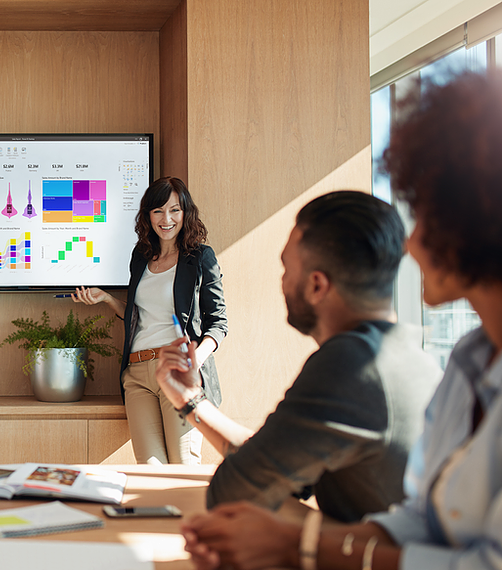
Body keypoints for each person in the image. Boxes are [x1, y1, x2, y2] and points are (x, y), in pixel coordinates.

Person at [179, 70, 502, 570]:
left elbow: (238, 484)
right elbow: (424, 522)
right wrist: (193, 402)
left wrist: (298, 544)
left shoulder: (354, 362)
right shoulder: (464, 358)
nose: (412, 246)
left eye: (430, 216)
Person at [156, 190, 441, 521]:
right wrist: (191, 400)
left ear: (317, 285)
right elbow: (265, 463)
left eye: (286, 269)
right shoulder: (404, 355)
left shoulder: (350, 365)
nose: (282, 282)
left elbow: (233, 489)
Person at [73, 176, 227, 465]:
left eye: (174, 210)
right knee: (151, 469)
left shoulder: (200, 257)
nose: (166, 219)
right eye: (158, 211)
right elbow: (137, 315)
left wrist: (194, 360)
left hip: (177, 371)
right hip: (137, 375)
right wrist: (106, 298)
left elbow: (218, 324)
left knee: (183, 467)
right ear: (148, 215)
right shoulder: (141, 256)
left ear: (185, 213)